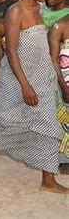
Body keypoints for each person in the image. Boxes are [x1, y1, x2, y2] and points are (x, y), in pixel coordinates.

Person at [0, 0, 68, 194]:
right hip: (20, 83)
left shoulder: (41, 10)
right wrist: (25, 86)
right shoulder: (16, 11)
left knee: (49, 128)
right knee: (9, 127)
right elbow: (11, 51)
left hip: (41, 81)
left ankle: (48, 181)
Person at [48, 14, 69, 174]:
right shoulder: (59, 27)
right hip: (64, 81)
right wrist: (64, 88)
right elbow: (53, 59)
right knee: (64, 122)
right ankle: (64, 160)